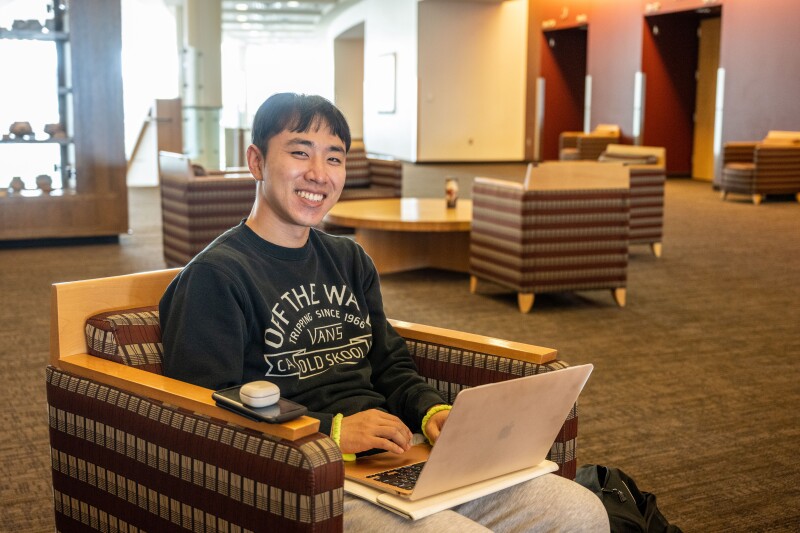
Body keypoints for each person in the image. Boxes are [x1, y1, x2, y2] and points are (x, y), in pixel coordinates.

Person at [160, 92, 609, 532]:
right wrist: (331, 433)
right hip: (304, 474)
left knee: (580, 512)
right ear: (256, 161)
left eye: (334, 158)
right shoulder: (216, 276)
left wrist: (432, 410)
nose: (319, 174)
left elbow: (390, 361)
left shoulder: (349, 259)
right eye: (300, 153)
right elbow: (204, 411)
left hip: (396, 457)